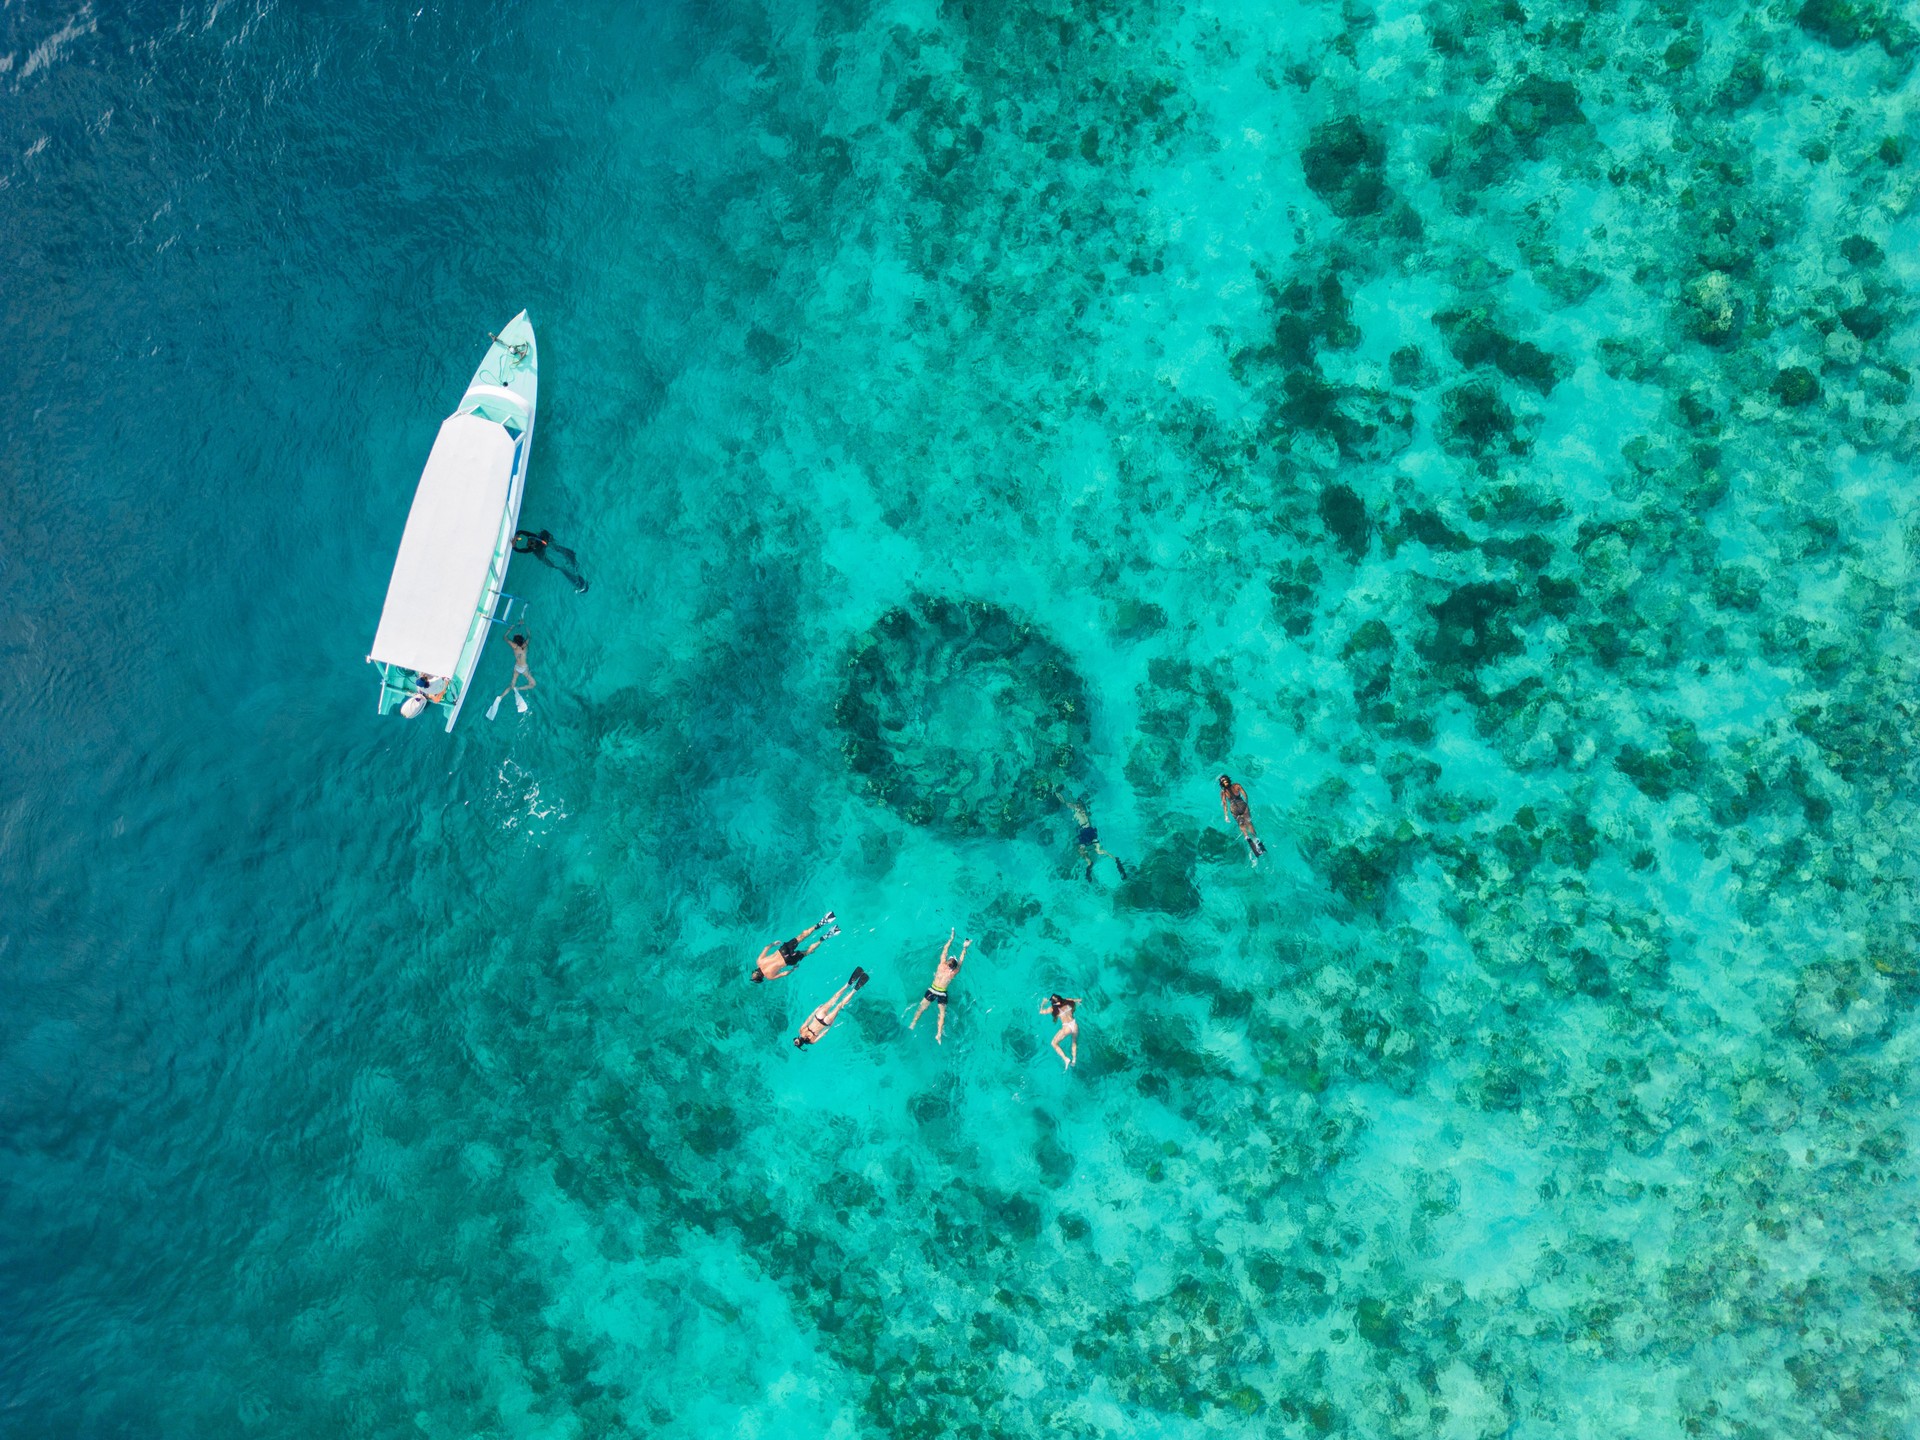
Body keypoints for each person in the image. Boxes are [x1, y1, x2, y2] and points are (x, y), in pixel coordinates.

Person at [909, 928, 969, 1044]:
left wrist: (951, 938)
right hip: (942, 993)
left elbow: (945, 949)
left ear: (948, 961)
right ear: (954, 966)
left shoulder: (941, 965)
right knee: (942, 1014)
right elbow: (961, 960)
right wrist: (965, 947)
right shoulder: (953, 973)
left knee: (921, 1008)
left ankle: (913, 1024)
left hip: (932, 989)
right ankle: (938, 1035)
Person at [752, 912, 838, 982]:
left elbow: (784, 973)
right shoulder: (759, 961)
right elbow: (766, 948)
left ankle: (824, 937)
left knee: (807, 952)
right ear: (756, 971)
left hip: (788, 960)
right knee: (801, 937)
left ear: (761, 977)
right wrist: (774, 943)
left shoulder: (769, 977)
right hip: (783, 951)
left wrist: (793, 969)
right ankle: (821, 923)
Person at [1060, 793, 1128, 882]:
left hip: (1085, 832)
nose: (1079, 807)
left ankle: (1110, 863)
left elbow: (1066, 803)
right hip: (1089, 831)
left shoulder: (1079, 810)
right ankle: (1114, 862)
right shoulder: (1083, 810)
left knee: (1091, 851)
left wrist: (1059, 795)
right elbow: (1068, 804)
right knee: (1098, 851)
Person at [794, 969, 868, 1049]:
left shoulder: (806, 1036)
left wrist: (827, 1023)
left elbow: (814, 1025)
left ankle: (851, 987)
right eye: (796, 1043)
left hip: (822, 1019)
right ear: (799, 1043)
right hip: (822, 1019)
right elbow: (817, 1028)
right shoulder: (806, 1036)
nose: (795, 1041)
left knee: (837, 1001)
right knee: (837, 1002)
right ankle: (851, 987)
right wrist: (827, 1023)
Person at [513, 528, 588, 593]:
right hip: (544, 542)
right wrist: (517, 535)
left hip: (544, 542)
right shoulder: (534, 544)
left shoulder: (535, 546)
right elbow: (522, 542)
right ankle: (578, 581)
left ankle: (578, 582)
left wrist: (514, 546)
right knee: (556, 557)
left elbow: (521, 549)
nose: (528, 543)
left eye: (530, 543)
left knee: (555, 560)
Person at [1218, 773, 1267, 864]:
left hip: (1234, 808)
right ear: (1229, 780)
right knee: (1249, 822)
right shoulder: (1237, 785)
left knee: (1241, 823)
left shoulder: (1223, 792)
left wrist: (1226, 816)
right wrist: (1246, 804)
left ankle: (1246, 836)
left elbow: (1225, 804)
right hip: (1242, 805)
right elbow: (1245, 795)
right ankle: (1255, 839)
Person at [489, 632, 536, 717]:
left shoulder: (514, 647)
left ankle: (500, 697)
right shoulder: (525, 646)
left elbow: (505, 637)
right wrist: (524, 624)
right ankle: (518, 688)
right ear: (522, 640)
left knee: (511, 685)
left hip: (517, 668)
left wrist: (511, 628)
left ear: (515, 642)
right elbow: (529, 635)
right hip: (524, 669)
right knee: (533, 684)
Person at [1041, 994, 1082, 1069]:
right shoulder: (1067, 1001)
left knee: (1053, 1043)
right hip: (1074, 1024)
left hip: (1066, 1027)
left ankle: (1066, 1059)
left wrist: (1043, 1003)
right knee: (1074, 1042)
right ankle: (1074, 1060)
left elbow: (1041, 1012)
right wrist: (1079, 1002)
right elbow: (1079, 1000)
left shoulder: (1052, 1009)